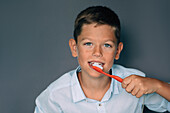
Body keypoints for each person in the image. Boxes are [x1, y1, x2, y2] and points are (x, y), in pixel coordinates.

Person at [34, 6, 170, 113]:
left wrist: (157, 85)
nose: (97, 53)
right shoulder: (55, 96)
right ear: (74, 48)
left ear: (117, 51)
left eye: (107, 45)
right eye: (88, 44)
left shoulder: (136, 83)